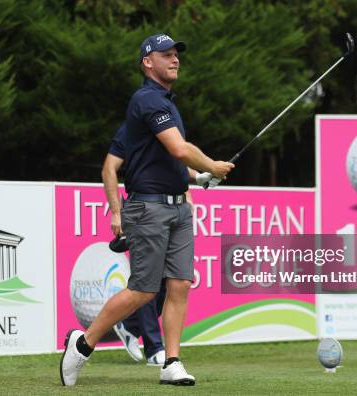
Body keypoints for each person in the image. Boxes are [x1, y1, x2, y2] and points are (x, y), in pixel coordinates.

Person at [60, 33, 234, 387]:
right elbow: (179, 149)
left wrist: (199, 178)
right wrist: (212, 166)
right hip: (148, 209)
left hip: (179, 209)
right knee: (143, 290)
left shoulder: (167, 104)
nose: (175, 59)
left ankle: (171, 362)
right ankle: (84, 343)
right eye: (166, 55)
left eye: (176, 55)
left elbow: (169, 161)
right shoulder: (147, 100)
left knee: (181, 284)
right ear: (147, 62)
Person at [103, 124, 216, 366]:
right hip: (144, 211)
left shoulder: (167, 128)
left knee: (172, 283)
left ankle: (130, 325)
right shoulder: (130, 131)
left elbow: (177, 164)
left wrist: (196, 182)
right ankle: (154, 347)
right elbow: (109, 169)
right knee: (147, 283)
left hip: (174, 213)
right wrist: (116, 212)